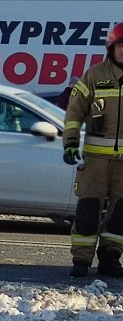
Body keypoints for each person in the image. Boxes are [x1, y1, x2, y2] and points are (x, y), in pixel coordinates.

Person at [63, 21, 123, 278]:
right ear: (111, 48)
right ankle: (81, 260)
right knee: (88, 209)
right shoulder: (95, 76)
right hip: (96, 159)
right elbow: (74, 112)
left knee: (120, 213)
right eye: (121, 46)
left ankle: (111, 259)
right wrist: (70, 142)